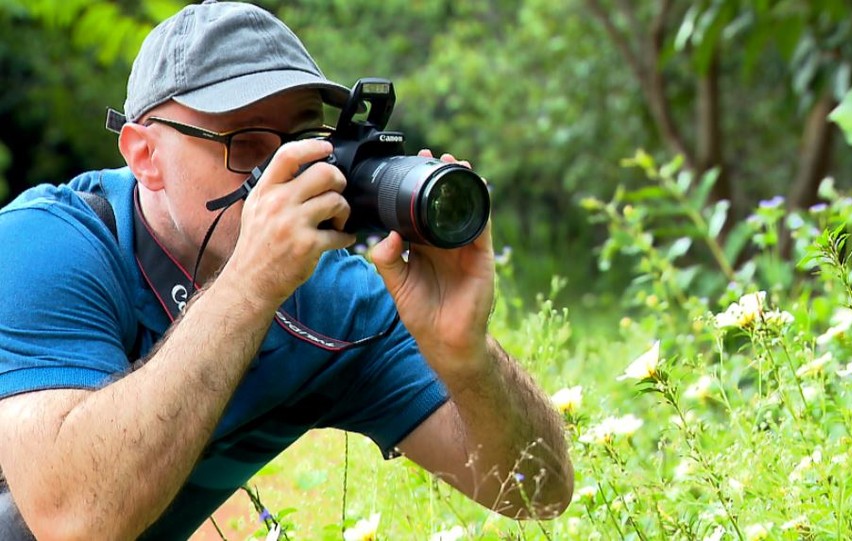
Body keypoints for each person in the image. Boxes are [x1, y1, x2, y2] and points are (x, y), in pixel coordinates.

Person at [0, 1, 573, 539]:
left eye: (304, 138)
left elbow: (535, 493)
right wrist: (250, 287)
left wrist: (465, 354)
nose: (287, 170)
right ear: (146, 157)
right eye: (247, 144)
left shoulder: (336, 305)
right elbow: (71, 519)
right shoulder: (46, 245)